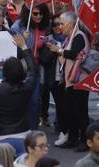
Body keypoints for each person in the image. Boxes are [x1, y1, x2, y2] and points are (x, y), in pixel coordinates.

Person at [0, 34, 35, 152]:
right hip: (24, 134)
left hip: (0, 137)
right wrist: (24, 47)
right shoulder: (27, 87)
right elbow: (32, 70)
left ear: (4, 72)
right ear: (21, 72)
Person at [48, 11, 90, 151]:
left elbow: (74, 54)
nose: (59, 27)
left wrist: (59, 50)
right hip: (69, 80)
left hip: (79, 81)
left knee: (80, 112)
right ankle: (73, 139)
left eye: (61, 24)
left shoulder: (78, 36)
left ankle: (85, 141)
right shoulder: (69, 38)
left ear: (70, 24)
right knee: (69, 111)